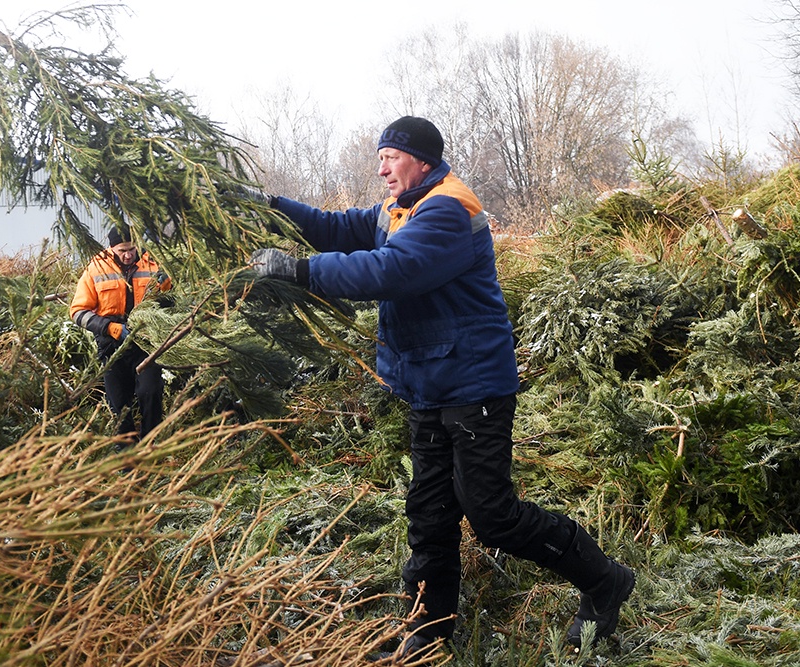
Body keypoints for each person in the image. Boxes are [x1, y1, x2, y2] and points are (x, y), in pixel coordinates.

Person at [247, 116, 634, 653]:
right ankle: (426, 636)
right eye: (380, 157)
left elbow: (392, 271)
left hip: (472, 386)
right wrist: (269, 206)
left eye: (391, 158)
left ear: (422, 161)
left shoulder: (447, 209)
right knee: (429, 515)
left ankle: (605, 582)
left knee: (493, 517)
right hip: (428, 385)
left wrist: (303, 272)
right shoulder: (398, 207)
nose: (381, 168)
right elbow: (337, 226)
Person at [70, 226, 172, 442]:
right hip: (111, 343)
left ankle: (151, 446)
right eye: (122, 251)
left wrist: (167, 284)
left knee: (151, 391)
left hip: (146, 341)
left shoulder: (152, 263)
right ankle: (126, 457)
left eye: (132, 250)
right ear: (112, 248)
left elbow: (170, 301)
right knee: (118, 402)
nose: (127, 255)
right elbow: (78, 312)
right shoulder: (96, 268)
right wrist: (111, 328)